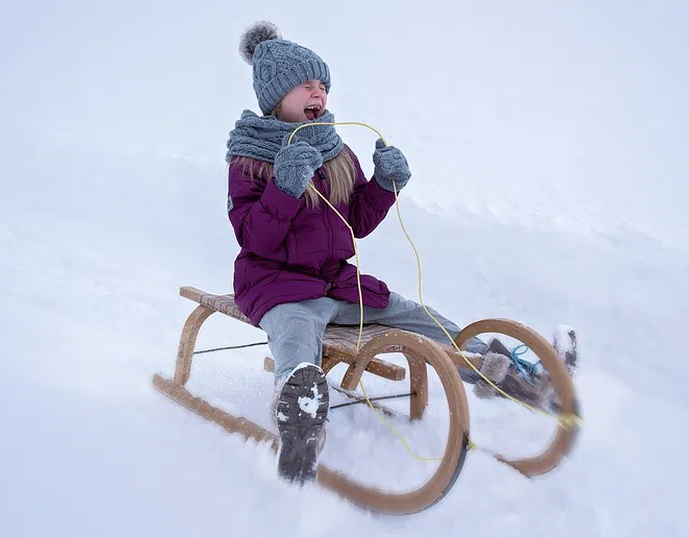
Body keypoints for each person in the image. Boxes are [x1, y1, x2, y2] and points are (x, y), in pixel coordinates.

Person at [224, 21, 576, 485]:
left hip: (337, 283)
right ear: (276, 97)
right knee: (294, 331)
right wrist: (285, 187)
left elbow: (357, 226)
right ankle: (300, 415)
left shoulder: (336, 151)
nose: (319, 93)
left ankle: (513, 374)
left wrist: (385, 185)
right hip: (278, 288)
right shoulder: (250, 159)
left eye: (323, 85)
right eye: (306, 84)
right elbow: (255, 239)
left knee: (416, 315)